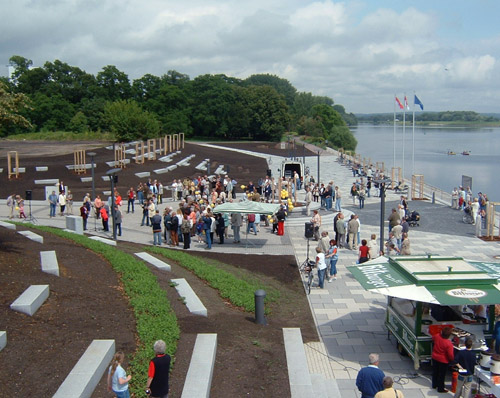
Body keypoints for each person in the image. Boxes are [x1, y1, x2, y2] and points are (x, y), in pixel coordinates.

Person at [432, 326, 454, 393]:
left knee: (435, 372)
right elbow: (450, 355)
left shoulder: (437, 336)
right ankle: (440, 388)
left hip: (435, 357)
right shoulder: (448, 343)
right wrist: (452, 360)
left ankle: (434, 385)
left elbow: (433, 338)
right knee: (442, 375)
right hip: (443, 360)